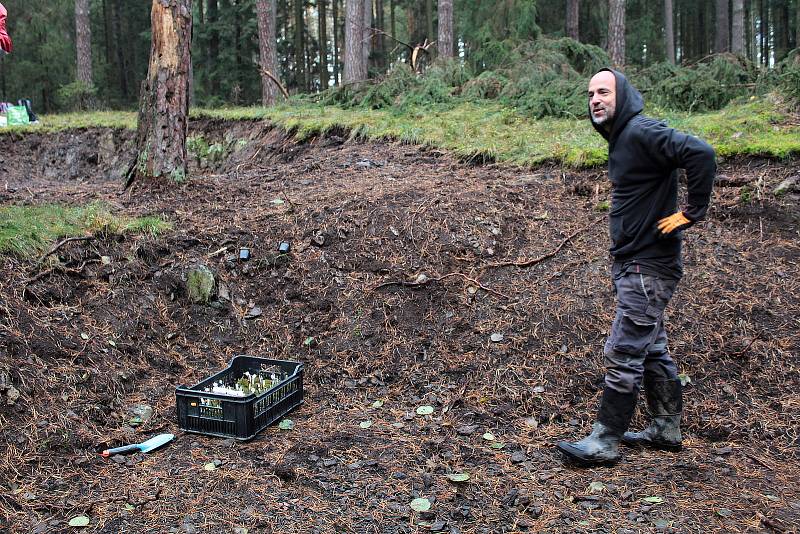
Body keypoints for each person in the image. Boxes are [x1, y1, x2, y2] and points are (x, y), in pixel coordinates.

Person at [556, 68, 716, 466]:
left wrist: (691, 212)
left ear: (622, 97)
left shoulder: (641, 130)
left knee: (624, 349)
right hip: (636, 262)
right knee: (651, 347)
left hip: (649, 265)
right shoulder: (624, 138)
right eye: (591, 93)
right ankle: (665, 428)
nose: (595, 99)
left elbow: (701, 152)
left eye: (604, 92)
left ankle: (605, 438)